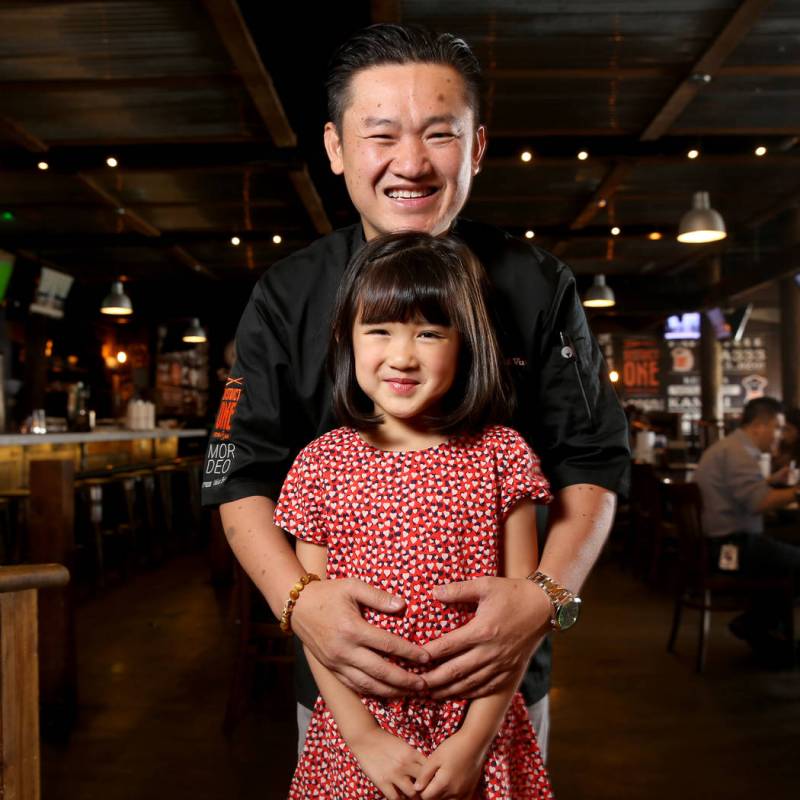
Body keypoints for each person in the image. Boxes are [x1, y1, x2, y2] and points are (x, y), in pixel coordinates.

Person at [202, 24, 629, 761]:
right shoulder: (288, 293)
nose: (412, 164)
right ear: (336, 148)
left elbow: (593, 459)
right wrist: (298, 605)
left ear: (478, 147)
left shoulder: (537, 284)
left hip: (502, 678)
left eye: (440, 134)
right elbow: (230, 468)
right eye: (381, 135)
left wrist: (544, 600)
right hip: (345, 683)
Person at [278, 232, 554, 799]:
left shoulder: (503, 455)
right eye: (378, 330)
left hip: (476, 730)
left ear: (466, 344)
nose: (403, 356)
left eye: (430, 332)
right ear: (346, 339)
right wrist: (364, 738)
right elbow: (316, 623)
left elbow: (520, 623)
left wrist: (473, 743)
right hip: (358, 738)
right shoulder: (319, 463)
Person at [694, 397, 800, 655]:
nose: (779, 436)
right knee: (792, 559)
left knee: (786, 554)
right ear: (759, 426)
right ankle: (756, 625)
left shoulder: (730, 448)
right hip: (730, 549)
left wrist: (772, 479)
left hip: (723, 544)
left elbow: (743, 493)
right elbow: (759, 502)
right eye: (777, 428)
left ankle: (765, 631)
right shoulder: (739, 454)